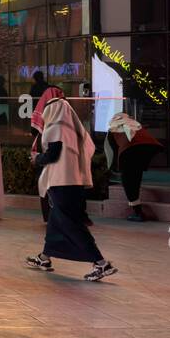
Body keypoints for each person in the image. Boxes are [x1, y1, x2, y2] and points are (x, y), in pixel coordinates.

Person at [26, 97, 118, 281]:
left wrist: (37, 159)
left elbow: (52, 155)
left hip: (61, 183)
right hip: (74, 181)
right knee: (56, 222)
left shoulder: (56, 128)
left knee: (71, 224)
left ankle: (100, 263)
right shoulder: (75, 131)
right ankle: (44, 258)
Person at [105, 112, 163, 222]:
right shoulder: (134, 123)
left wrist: (112, 168)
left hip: (130, 151)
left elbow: (111, 152)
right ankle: (137, 207)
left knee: (128, 182)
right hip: (148, 148)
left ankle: (138, 213)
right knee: (135, 175)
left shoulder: (113, 129)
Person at [30, 86, 65, 222]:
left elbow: (35, 130)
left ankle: (51, 216)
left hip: (47, 155)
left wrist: (38, 158)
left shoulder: (52, 119)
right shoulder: (63, 113)